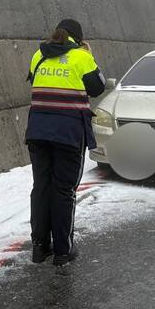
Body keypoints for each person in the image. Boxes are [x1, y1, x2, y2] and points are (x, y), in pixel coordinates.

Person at [26, 19, 106, 270]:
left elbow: (34, 81)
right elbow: (98, 87)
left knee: (41, 188)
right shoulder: (81, 57)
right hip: (68, 133)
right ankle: (63, 249)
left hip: (38, 131)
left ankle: (39, 247)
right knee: (63, 190)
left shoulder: (38, 54)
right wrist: (89, 56)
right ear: (78, 39)